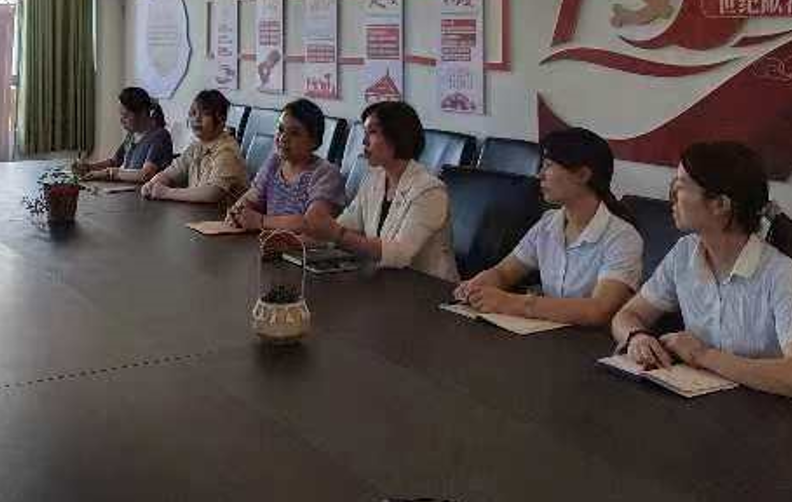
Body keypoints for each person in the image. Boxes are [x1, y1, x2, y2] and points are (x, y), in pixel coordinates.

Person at [611, 141, 792, 398]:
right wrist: (636, 337)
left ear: (720, 204)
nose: (672, 196)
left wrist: (703, 355)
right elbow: (628, 314)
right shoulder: (685, 252)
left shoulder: (781, 275)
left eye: (681, 187)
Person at [452, 128, 643, 326]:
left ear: (583, 175)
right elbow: (504, 272)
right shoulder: (548, 223)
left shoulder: (622, 237)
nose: (540, 174)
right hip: (549, 332)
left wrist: (512, 303)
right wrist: (477, 286)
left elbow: (599, 310)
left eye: (549, 166)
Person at [305, 101, 458, 280]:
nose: (364, 141)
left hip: (429, 288)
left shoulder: (430, 191)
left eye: (372, 132)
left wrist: (337, 234)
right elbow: (347, 225)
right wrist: (297, 239)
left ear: (397, 137)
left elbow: (400, 254)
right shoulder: (374, 178)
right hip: (386, 280)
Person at [226, 98, 344, 233]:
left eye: (294, 133)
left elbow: (313, 223)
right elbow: (251, 199)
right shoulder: (274, 162)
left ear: (315, 141)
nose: (283, 138)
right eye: (280, 129)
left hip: (303, 246)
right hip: (269, 241)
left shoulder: (326, 174)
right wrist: (238, 212)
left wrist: (261, 221)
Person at [141, 89, 247, 205]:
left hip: (222, 214)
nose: (196, 119)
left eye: (205, 114)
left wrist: (167, 193)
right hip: (199, 213)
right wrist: (152, 184)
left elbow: (212, 193)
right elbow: (171, 173)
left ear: (222, 119)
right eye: (193, 113)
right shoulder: (196, 147)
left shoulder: (227, 152)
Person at [73, 87, 173, 184]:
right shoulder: (132, 135)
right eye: (121, 115)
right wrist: (89, 167)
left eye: (125, 115)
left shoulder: (160, 136)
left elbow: (146, 174)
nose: (121, 120)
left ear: (142, 113)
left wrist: (110, 173)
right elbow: (115, 162)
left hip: (145, 193)